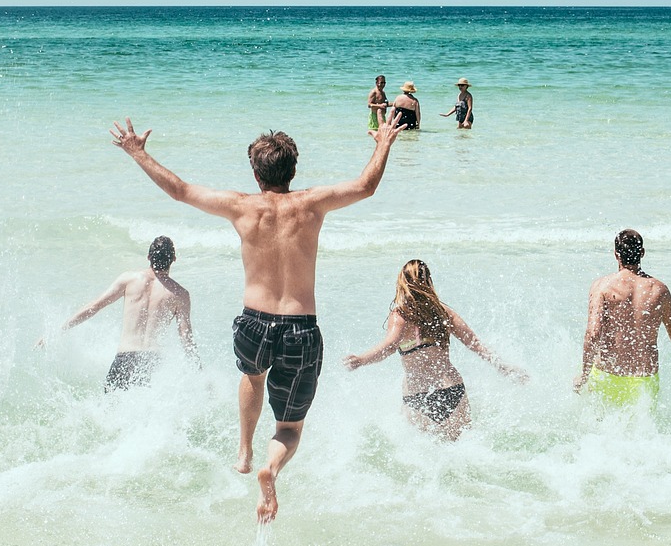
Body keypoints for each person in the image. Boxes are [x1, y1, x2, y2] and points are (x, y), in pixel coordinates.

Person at [111, 115, 405, 522]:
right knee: (289, 428)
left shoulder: (241, 206)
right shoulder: (312, 203)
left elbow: (178, 190)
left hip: (253, 323)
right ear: (294, 170)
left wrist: (138, 152)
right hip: (301, 327)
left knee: (252, 378)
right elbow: (365, 186)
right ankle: (272, 467)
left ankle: (245, 450)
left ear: (255, 172)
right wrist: (384, 142)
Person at [343, 259, 526, 439]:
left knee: (423, 458)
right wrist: (504, 368)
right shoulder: (443, 312)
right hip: (452, 389)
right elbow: (475, 344)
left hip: (418, 396)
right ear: (428, 281)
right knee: (463, 450)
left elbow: (390, 346)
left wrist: (361, 360)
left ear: (402, 283)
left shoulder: (400, 315)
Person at [52, 236, 198, 390]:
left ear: (149, 257)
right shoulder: (180, 294)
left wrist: (59, 330)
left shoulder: (129, 280)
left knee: (109, 410)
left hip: (124, 359)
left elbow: (94, 306)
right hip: (152, 362)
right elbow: (185, 337)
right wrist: (198, 371)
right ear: (174, 259)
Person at [576, 228, 671, 405]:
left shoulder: (602, 287)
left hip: (608, 375)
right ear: (642, 253)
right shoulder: (659, 290)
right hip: (644, 380)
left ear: (616, 255)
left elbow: (593, 334)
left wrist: (583, 375)